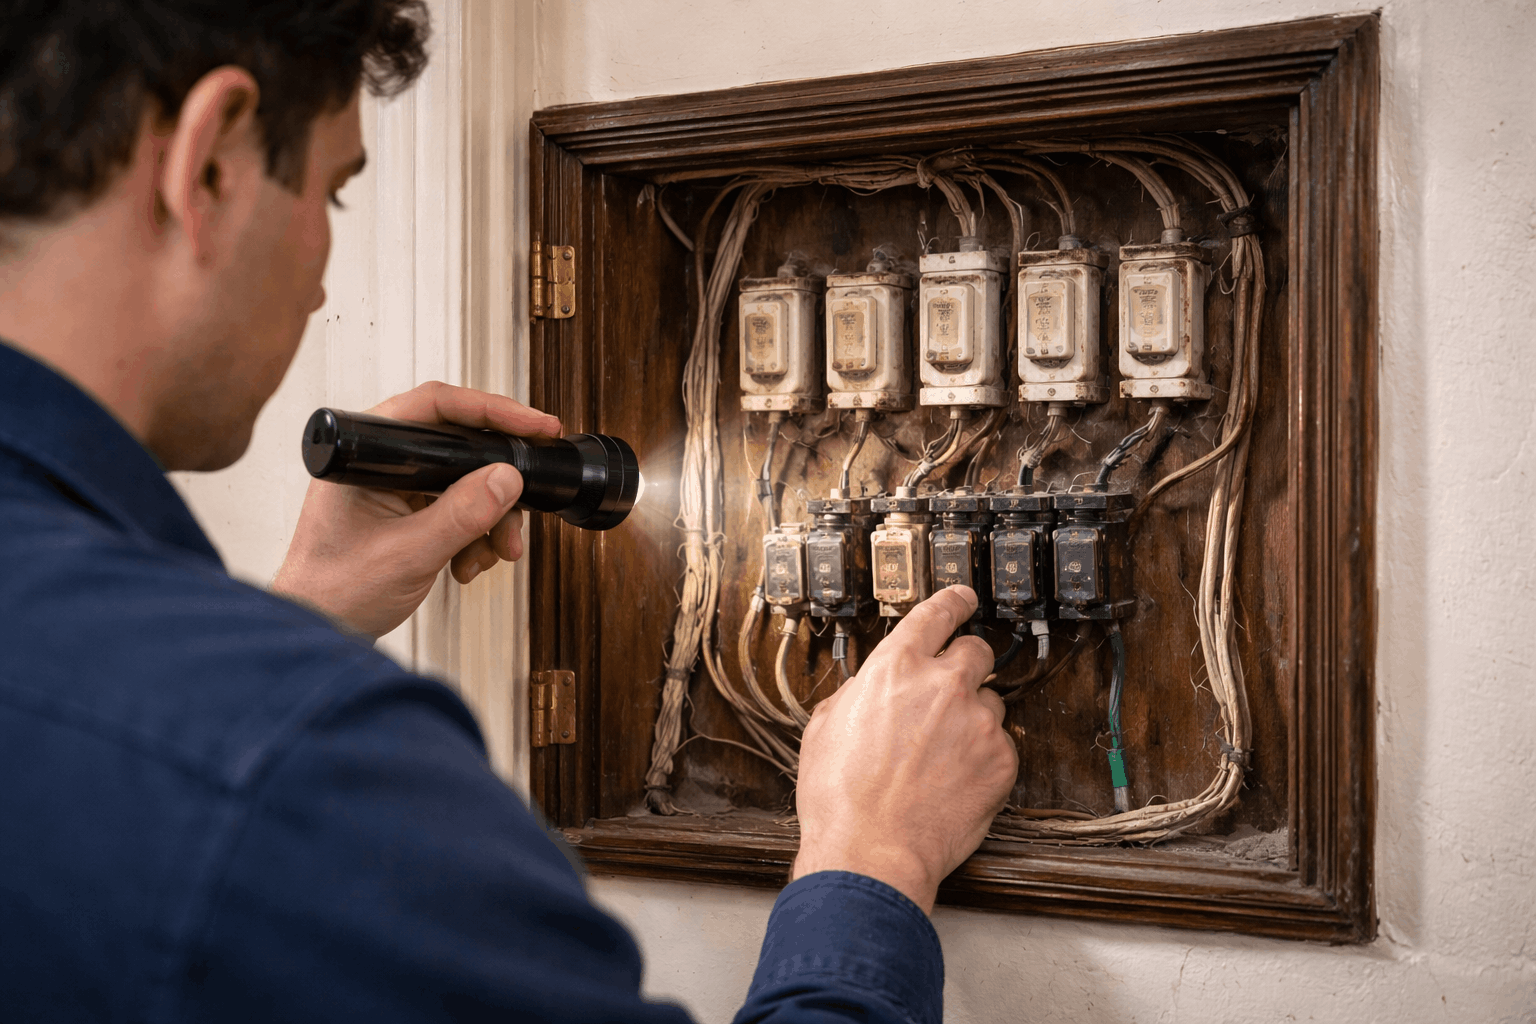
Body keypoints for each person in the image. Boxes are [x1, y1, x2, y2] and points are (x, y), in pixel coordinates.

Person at [0, 3, 1017, 1021]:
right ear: (211, 159)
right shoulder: (294, 764)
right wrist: (873, 853)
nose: (319, 280)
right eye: (332, 194)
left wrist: (303, 615)